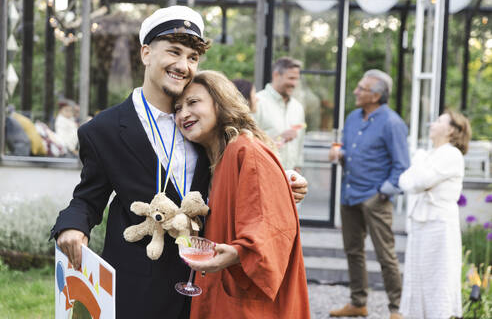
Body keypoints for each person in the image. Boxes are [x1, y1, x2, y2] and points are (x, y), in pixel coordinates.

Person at [50, 6, 307, 319]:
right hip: (137, 288)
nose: (183, 65)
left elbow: (244, 165)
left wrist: (283, 180)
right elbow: (87, 199)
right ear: (146, 53)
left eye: (192, 58)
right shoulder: (101, 130)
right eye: (174, 52)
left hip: (206, 284)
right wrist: (72, 227)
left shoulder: (202, 121)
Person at [174, 70, 310, 319]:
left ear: (220, 102)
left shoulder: (246, 151)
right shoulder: (212, 159)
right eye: (177, 108)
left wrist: (240, 252)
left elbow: (273, 225)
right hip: (220, 290)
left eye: (193, 102)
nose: (183, 114)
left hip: (247, 301)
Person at [328, 69, 409, 319]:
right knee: (353, 251)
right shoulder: (353, 117)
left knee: (386, 255)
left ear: (375, 96)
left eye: (361, 88)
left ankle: (397, 308)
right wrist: (340, 156)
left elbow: (402, 167)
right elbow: (350, 152)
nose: (356, 91)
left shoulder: (392, 123)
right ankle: (358, 302)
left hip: (375, 199)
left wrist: (381, 193)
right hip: (349, 194)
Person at [398, 110, 471, 319]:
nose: (432, 124)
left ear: (451, 130)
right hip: (422, 223)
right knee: (418, 278)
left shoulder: (450, 154)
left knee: (437, 278)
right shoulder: (432, 154)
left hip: (438, 226)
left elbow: (418, 181)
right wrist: (418, 168)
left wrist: (418, 162)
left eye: (439, 121)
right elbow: (405, 182)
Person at [254, 57, 305, 172]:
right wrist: (279, 138)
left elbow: (299, 143)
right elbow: (248, 143)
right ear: (276, 75)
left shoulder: (298, 108)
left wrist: (298, 167)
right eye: (291, 78)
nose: (294, 83)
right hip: (264, 174)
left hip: (290, 178)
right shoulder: (257, 102)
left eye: (297, 79)